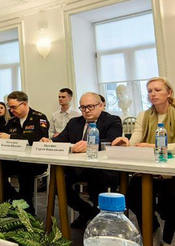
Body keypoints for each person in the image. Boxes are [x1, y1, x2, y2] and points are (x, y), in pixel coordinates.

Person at [112, 77, 175, 246]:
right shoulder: (144, 115)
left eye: (158, 90)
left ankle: (169, 234)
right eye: (150, 91)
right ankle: (153, 229)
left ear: (169, 93)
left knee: (174, 194)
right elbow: (135, 141)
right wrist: (125, 143)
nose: (153, 94)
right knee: (133, 196)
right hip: (148, 169)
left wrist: (154, 147)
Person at [46, 92, 122, 228]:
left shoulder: (112, 120)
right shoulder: (74, 122)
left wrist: (91, 145)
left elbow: (112, 142)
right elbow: (61, 139)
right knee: (58, 183)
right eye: (83, 107)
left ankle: (100, 220)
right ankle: (87, 211)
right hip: (78, 167)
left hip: (102, 168)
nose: (86, 111)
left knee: (96, 184)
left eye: (90, 107)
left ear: (101, 105)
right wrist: (49, 142)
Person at [0, 91, 49, 214]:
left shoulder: (39, 118)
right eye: (9, 107)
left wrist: (11, 137)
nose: (11, 110)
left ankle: (27, 208)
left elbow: (37, 137)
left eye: (14, 107)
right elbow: (3, 138)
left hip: (35, 161)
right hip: (15, 159)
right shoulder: (12, 122)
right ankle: (15, 199)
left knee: (25, 169)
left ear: (24, 104)